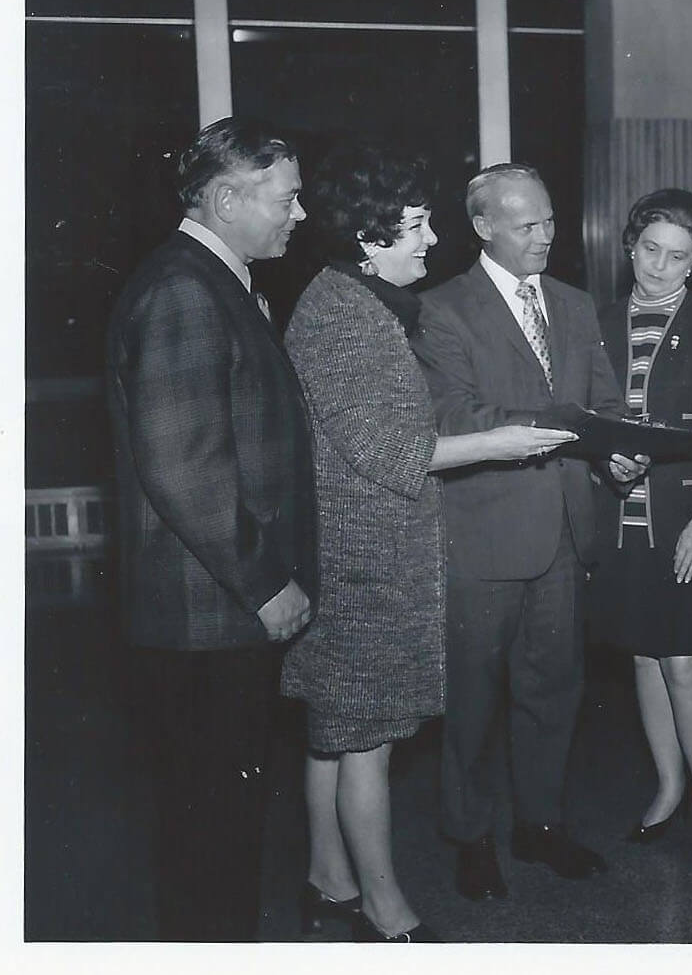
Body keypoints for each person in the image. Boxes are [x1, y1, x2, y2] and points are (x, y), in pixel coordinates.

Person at [281, 144, 576, 942]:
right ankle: (385, 910)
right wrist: (502, 442)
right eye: (414, 228)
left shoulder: (351, 301)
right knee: (366, 740)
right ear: (368, 241)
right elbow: (392, 452)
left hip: (353, 549)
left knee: (334, 734)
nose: (431, 241)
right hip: (365, 558)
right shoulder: (347, 317)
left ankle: (329, 878)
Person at [105, 116, 315, 940]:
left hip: (217, 609)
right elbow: (184, 465)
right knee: (212, 837)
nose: (299, 214)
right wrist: (267, 584)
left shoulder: (210, 279)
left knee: (221, 830)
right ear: (227, 199)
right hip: (213, 612)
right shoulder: (185, 290)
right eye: (286, 197)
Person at [413, 162, 644, 901]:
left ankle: (541, 826)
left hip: (569, 531)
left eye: (549, 222)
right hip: (484, 535)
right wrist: (573, 429)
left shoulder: (575, 306)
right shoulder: (440, 310)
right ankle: (470, 835)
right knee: (474, 699)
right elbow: (453, 417)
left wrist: (622, 450)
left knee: (555, 689)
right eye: (526, 226)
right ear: (483, 228)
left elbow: (605, 403)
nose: (545, 237)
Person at [590, 189, 692, 872]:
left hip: (689, 516)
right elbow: (585, 419)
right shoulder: (593, 322)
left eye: (677, 256)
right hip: (620, 519)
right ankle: (668, 785)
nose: (660, 267)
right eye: (650, 250)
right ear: (630, 247)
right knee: (644, 658)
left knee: (685, 662)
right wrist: (604, 459)